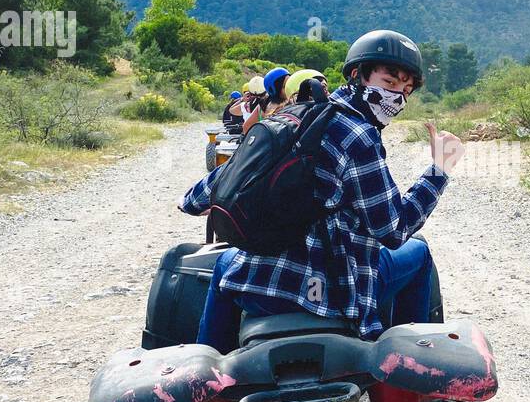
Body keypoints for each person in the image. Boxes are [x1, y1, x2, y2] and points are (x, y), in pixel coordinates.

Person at [180, 30, 464, 352]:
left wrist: (203, 203)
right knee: (419, 253)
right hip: (335, 293)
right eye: (390, 83)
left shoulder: (293, 116)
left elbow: (206, 191)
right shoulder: (359, 133)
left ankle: (210, 376)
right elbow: (393, 230)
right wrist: (439, 170)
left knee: (225, 267)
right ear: (358, 74)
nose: (397, 97)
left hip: (256, 286)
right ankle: (412, 373)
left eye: (406, 90)